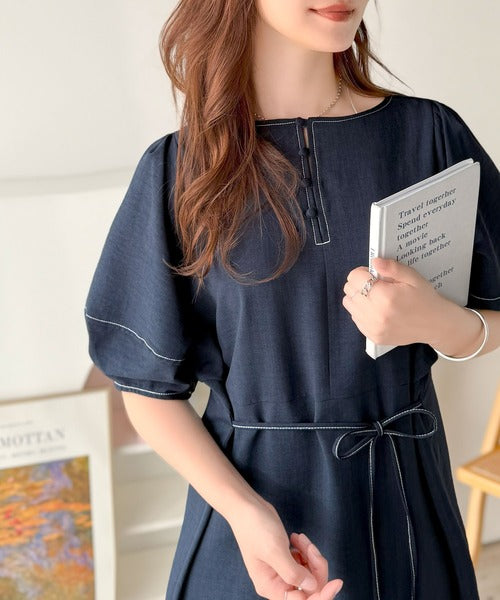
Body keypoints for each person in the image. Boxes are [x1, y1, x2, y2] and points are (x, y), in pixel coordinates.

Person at [83, 1, 500, 598]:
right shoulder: (180, 170)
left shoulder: (429, 135)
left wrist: (442, 323)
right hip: (255, 519)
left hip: (408, 500)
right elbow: (147, 389)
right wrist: (245, 515)